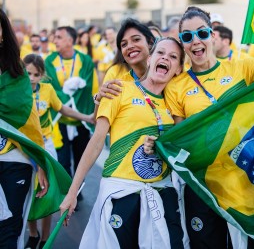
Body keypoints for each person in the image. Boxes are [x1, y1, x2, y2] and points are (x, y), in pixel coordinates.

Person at [146, 6, 254, 249]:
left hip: (245, 178)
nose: (195, 41)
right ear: (183, 43)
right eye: (187, 37)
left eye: (202, 33)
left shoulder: (241, 67)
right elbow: (179, 138)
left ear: (212, 34)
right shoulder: (177, 86)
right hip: (202, 185)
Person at [59, 37, 186, 249]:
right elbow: (96, 142)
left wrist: (161, 145)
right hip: (121, 193)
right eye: (160, 53)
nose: (165, 58)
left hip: (162, 194)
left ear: (179, 69)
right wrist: (72, 193)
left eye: (173, 57)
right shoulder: (118, 90)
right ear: (150, 59)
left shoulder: (175, 105)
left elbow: (181, 148)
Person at [23, 54, 94, 249]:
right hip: (24, 148)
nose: (31, 78)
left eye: (36, 74)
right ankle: (32, 234)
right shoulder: (17, 90)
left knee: (46, 192)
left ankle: (45, 237)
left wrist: (87, 118)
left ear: (42, 75)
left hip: (46, 147)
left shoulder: (47, 90)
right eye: (28, 73)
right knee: (29, 193)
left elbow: (63, 109)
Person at [0, 9, 48, 249]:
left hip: (14, 159)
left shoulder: (17, 72)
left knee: (10, 225)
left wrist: (40, 162)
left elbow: (30, 121)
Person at [44, 26, 98, 178]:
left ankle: (77, 190)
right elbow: (50, 88)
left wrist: (65, 93)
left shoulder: (85, 60)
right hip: (59, 119)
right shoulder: (49, 60)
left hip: (81, 120)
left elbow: (87, 87)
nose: (55, 41)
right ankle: (67, 194)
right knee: (63, 161)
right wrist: (67, 92)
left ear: (70, 40)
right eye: (55, 37)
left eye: (59, 37)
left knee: (81, 160)